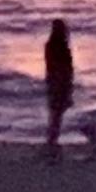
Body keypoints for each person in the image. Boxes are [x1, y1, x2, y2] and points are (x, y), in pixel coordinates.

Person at [40, 18, 76, 157]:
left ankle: (52, 141)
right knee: (56, 114)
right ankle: (52, 142)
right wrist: (66, 85)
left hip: (54, 82)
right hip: (59, 82)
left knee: (55, 113)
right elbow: (64, 68)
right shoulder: (60, 46)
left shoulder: (51, 45)